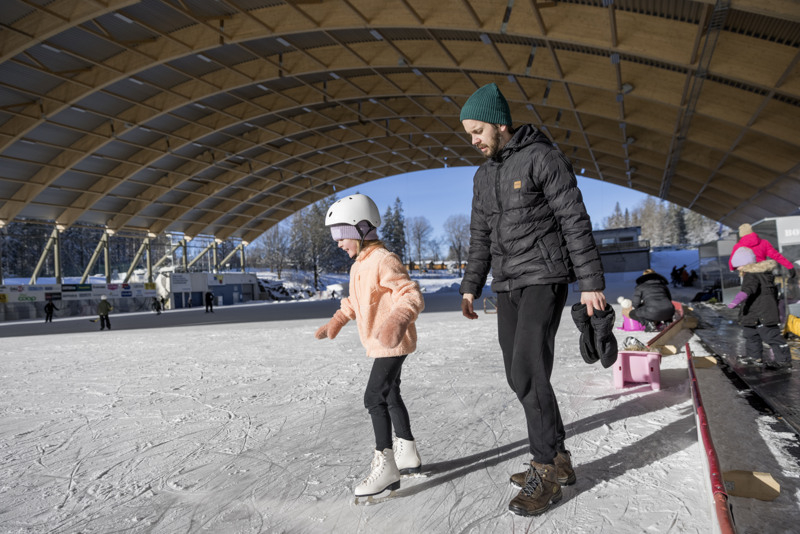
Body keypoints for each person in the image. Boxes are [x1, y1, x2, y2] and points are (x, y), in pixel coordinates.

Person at [458, 82, 608, 517]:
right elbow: (480, 236)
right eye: (468, 133)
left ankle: (544, 468)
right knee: (518, 373)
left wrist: (590, 281)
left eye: (477, 130)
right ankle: (559, 458)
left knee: (527, 367)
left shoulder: (543, 157)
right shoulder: (483, 177)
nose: (473, 140)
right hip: (507, 284)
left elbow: (574, 220)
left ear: (500, 124)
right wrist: (471, 285)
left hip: (545, 276)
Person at [314, 194, 425, 503]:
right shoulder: (359, 265)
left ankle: (387, 466)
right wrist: (336, 320)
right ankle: (408, 455)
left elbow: (411, 295)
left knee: (373, 396)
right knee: (389, 393)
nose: (337, 242)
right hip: (378, 343)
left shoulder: (383, 259)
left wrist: (397, 320)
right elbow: (355, 302)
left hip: (393, 342)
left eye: (341, 234)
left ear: (361, 228)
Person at [727, 247, 792, 370]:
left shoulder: (751, 276)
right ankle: (754, 356)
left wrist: (737, 300)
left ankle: (783, 361)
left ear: (745, 264)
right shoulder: (763, 274)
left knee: (771, 335)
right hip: (756, 312)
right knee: (751, 333)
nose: (737, 269)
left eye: (738, 266)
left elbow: (748, 289)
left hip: (761, 312)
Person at [729, 223, 796, 278]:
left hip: (749, 274)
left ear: (741, 234)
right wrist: (789, 266)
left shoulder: (738, 246)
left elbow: (732, 262)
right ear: (752, 231)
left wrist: (732, 269)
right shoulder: (764, 243)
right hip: (763, 272)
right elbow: (776, 256)